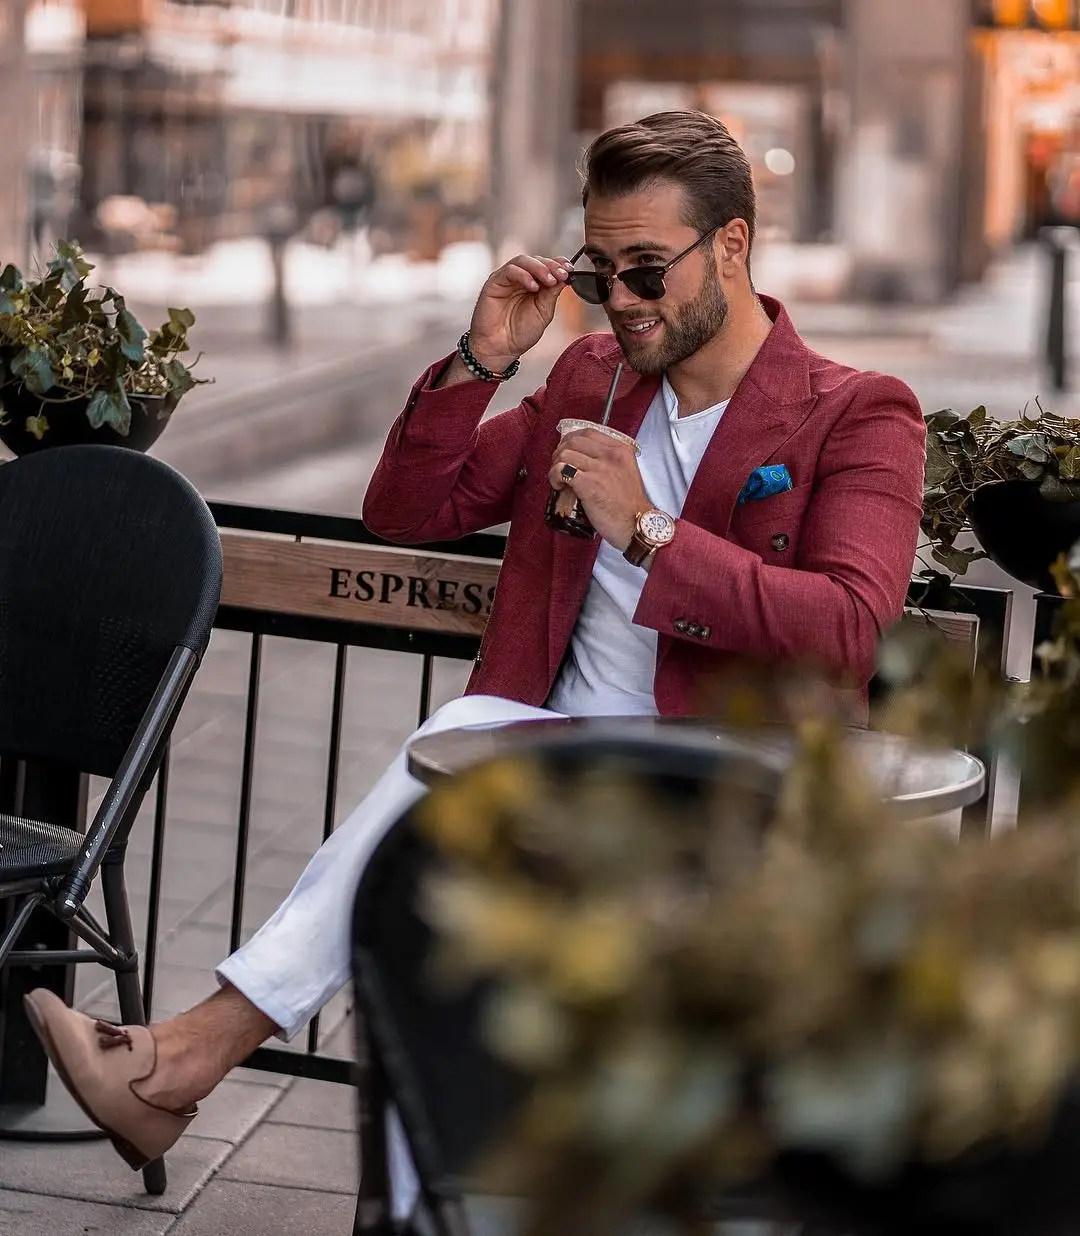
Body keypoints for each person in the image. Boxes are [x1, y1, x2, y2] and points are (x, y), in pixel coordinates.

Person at [24, 111, 926, 1188]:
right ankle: (200, 1077)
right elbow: (408, 508)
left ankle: (180, 1061)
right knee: (443, 854)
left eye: (648, 273)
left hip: (723, 781)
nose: (623, 304)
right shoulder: (591, 377)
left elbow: (844, 624)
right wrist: (483, 355)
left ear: (731, 247)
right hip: (543, 757)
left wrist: (650, 529)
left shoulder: (857, 412)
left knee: (456, 756)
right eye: (601, 275)